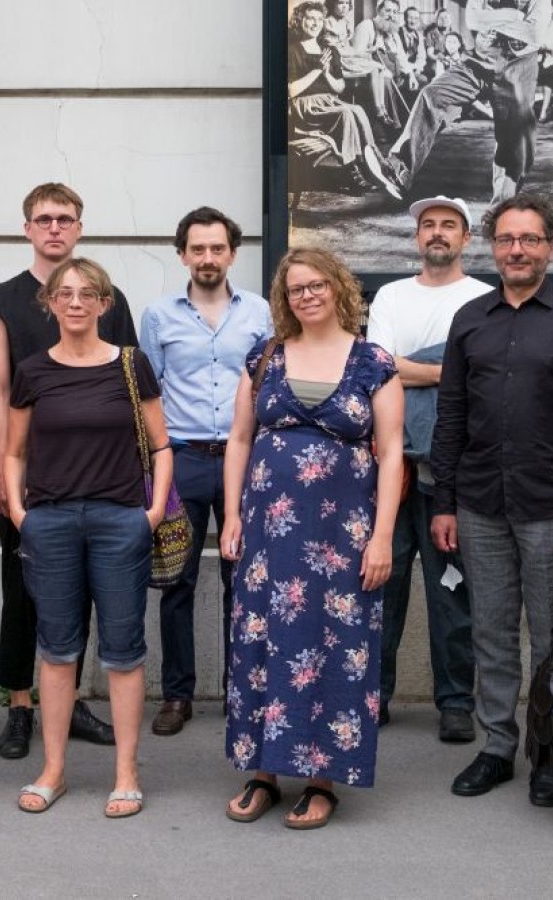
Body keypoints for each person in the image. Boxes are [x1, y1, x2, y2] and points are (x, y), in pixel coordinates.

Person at [220, 247, 404, 829]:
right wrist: (231, 516)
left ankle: (323, 779)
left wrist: (382, 538)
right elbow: (240, 441)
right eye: (296, 287)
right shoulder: (265, 357)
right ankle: (262, 772)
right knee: (261, 644)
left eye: (317, 284)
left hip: (342, 539)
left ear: (338, 288)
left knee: (333, 648)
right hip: (269, 536)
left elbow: (394, 452)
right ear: (285, 297)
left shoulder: (373, 361)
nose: (308, 295)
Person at [430, 194, 553, 807]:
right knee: (492, 633)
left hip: (551, 506)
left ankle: (549, 754)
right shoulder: (470, 319)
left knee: (551, 636)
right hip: (478, 503)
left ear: (550, 247)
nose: (517, 251)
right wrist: (444, 501)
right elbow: (449, 415)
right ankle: (497, 746)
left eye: (529, 240)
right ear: (491, 247)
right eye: (507, 240)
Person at [5, 258, 172, 819]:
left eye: (88, 294)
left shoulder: (131, 364)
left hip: (118, 521)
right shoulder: (32, 371)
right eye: (65, 293)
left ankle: (126, 772)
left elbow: (162, 445)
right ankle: (53, 770)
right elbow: (13, 452)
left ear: (105, 304)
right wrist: (21, 513)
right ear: (49, 303)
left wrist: (149, 515)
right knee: (56, 652)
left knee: (123, 652)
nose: (75, 302)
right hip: (50, 523)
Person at [0, 183, 134, 759]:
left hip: (99, 474)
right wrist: (1, 469)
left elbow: (130, 384)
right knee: (23, 590)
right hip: (30, 473)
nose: (53, 228)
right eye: (43, 220)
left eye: (64, 219)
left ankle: (66, 705)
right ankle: (20, 703)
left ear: (78, 228)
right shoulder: (1, 299)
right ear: (27, 229)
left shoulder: (104, 295)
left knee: (87, 591)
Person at [139, 207, 271, 736]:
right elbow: (148, 393)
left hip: (249, 458)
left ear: (233, 254)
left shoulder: (261, 312)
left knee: (245, 579)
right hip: (183, 458)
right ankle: (177, 694)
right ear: (183, 255)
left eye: (217, 248)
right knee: (177, 581)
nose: (208, 258)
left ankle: (245, 689)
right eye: (198, 249)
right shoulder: (158, 316)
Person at [368, 196, 489, 741]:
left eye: (449, 225)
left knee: (452, 594)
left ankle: (456, 702)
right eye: (428, 225)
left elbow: (482, 382)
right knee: (381, 586)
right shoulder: (391, 296)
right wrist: (447, 371)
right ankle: (373, 695)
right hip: (392, 468)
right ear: (416, 238)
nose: (437, 233)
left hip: (455, 474)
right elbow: (377, 370)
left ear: (466, 238)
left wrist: (415, 370)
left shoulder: (484, 299)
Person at [382, 0, 552, 202]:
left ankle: (504, 202)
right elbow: (473, 19)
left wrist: (489, 19)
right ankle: (400, 169)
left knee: (517, 137)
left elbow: (534, 33)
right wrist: (513, 17)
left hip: (518, 67)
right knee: (433, 95)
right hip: (480, 61)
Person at [288, 2, 400, 196]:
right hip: (306, 106)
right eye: (310, 19)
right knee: (347, 112)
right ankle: (352, 171)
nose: (315, 24)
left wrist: (326, 73)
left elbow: (340, 86)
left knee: (358, 110)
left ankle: (374, 163)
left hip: (330, 101)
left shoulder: (329, 49)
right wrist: (316, 71)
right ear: (300, 21)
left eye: (319, 19)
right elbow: (291, 91)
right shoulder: (292, 49)